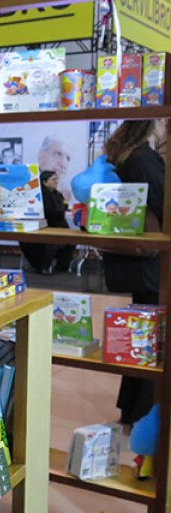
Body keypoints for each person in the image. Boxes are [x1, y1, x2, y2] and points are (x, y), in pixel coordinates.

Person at [102, 120, 166, 424]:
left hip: (135, 260)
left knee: (143, 331)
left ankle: (131, 409)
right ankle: (142, 413)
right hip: (152, 263)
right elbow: (164, 202)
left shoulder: (125, 155)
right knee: (153, 338)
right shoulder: (143, 159)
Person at [19, 171, 74, 274]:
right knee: (51, 243)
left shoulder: (58, 194)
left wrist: (65, 210)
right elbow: (48, 212)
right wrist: (61, 211)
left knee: (72, 240)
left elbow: (64, 206)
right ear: (44, 182)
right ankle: (43, 266)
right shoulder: (39, 196)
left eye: (57, 179)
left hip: (59, 226)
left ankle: (61, 267)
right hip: (43, 227)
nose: (56, 181)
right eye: (53, 179)